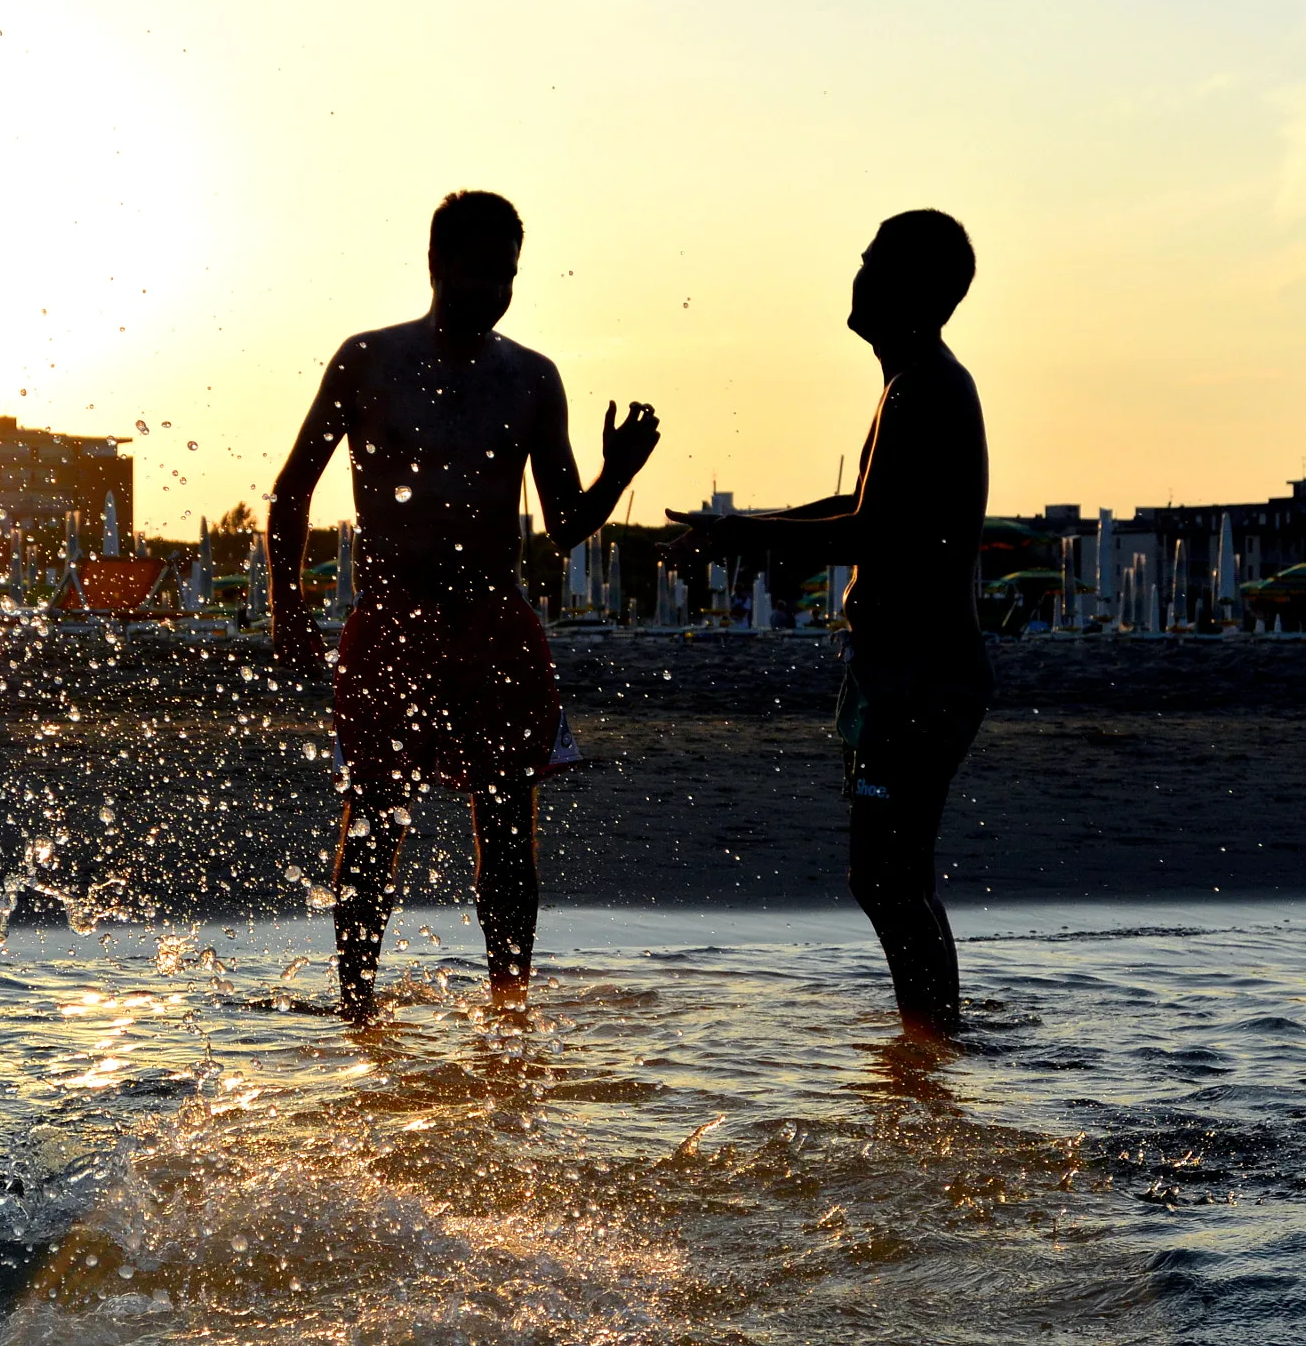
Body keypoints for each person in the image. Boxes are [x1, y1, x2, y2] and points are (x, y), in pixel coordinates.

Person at [269, 190, 662, 1023]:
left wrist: (617, 473)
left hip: (496, 622)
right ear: (436, 264)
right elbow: (292, 488)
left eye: (509, 276)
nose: (495, 290)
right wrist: (288, 607)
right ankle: (356, 1007)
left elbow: (562, 526)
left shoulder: (530, 378)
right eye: (480, 271)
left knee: (508, 827)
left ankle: (508, 1008)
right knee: (376, 815)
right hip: (393, 620)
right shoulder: (368, 361)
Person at [669, 208, 989, 1034]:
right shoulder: (913, 381)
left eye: (873, 259)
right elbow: (863, 506)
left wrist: (748, 534)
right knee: (895, 873)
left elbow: (867, 533)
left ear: (912, 287)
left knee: (885, 875)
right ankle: (932, 1048)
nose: (857, 270)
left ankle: (931, 1045)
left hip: (918, 683)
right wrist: (747, 527)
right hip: (908, 677)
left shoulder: (923, 388)